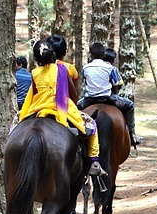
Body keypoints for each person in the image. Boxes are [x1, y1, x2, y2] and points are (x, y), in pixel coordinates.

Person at [18, 38, 108, 177]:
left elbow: (34, 94)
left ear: (36, 58)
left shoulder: (35, 73)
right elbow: (73, 94)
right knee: (91, 125)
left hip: (39, 109)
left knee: (15, 128)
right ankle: (94, 162)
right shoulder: (62, 69)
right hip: (61, 108)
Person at [80, 42, 143, 146]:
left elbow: (85, 82)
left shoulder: (86, 68)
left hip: (89, 99)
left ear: (91, 54)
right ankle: (132, 135)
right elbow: (117, 83)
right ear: (103, 54)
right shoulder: (110, 68)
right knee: (129, 106)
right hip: (108, 98)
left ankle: (76, 136)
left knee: (76, 108)